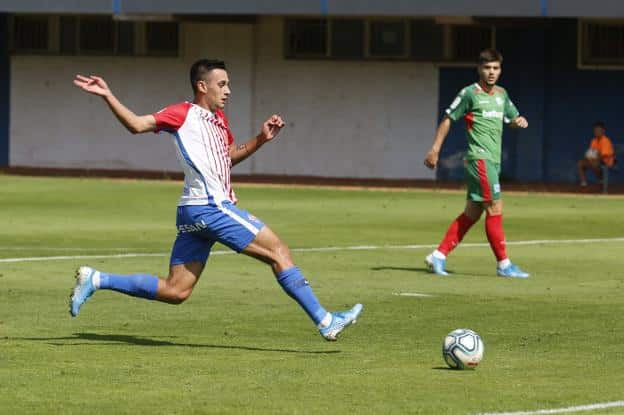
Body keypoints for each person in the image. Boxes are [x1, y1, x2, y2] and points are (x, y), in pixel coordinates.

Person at [69, 59, 362, 341]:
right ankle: (325, 321)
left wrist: (261, 139)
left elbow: (228, 158)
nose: (228, 90)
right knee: (278, 252)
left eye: (228, 84)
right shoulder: (182, 113)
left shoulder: (219, 119)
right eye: (221, 84)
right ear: (202, 86)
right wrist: (108, 95)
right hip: (211, 208)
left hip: (192, 212)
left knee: (176, 291)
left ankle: (97, 279)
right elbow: (135, 124)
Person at [423, 49, 530, 278]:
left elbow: (511, 118)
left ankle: (438, 256)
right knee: (495, 206)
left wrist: (518, 121)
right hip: (479, 159)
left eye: (496, 68)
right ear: (479, 69)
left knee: (472, 213)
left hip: (493, 160)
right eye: (487, 68)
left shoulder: (502, 94)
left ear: (500, 70)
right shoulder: (469, 94)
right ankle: (504, 265)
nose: (491, 72)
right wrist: (435, 149)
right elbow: (448, 119)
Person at [577, 121, 615, 187]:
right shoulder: (593, 140)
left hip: (607, 161)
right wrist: (587, 158)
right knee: (580, 163)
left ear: (603, 131)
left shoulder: (605, 140)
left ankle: (600, 180)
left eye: (598, 130)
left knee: (594, 163)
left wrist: (592, 158)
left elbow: (604, 155)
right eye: (595, 130)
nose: (596, 132)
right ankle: (584, 183)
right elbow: (591, 152)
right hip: (596, 160)